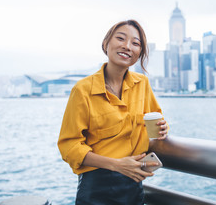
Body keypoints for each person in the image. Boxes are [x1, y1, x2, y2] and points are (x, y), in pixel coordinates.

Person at [58, 19, 169, 205]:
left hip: (133, 184)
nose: (127, 46)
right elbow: (69, 146)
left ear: (140, 52)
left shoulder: (142, 84)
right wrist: (117, 165)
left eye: (135, 43)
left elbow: (156, 121)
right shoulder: (83, 89)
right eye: (120, 38)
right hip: (96, 186)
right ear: (106, 44)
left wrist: (163, 128)